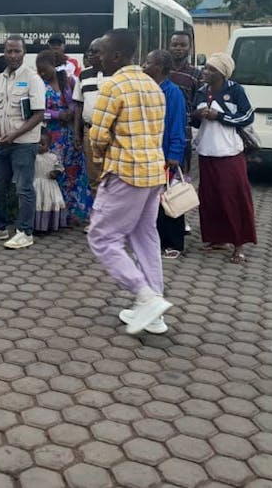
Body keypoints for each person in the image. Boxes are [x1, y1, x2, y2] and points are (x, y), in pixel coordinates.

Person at [87, 28, 172, 335]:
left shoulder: (113, 86)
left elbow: (97, 136)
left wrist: (99, 160)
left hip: (125, 172)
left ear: (117, 56)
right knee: (145, 237)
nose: (99, 57)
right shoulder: (153, 86)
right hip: (153, 172)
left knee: (102, 237)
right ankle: (155, 310)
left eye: (102, 52)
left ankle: (145, 295)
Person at [0, 35, 45, 250]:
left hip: (24, 143)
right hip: (1, 143)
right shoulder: (1, 80)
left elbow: (38, 114)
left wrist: (14, 135)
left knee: (23, 188)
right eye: (9, 51)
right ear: (4, 53)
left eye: (17, 51)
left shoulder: (32, 79)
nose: (13, 55)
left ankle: (25, 232)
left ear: (24, 53)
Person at [191, 53, 257, 264]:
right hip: (206, 151)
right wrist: (197, 115)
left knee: (233, 198)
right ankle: (217, 238)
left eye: (211, 69)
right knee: (210, 198)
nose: (205, 71)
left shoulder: (235, 90)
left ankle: (238, 245)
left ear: (222, 73)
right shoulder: (201, 91)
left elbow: (247, 116)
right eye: (206, 68)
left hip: (229, 153)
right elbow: (194, 120)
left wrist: (220, 116)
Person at [37, 50, 92, 225]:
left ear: (54, 66)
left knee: (73, 173)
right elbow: (36, 111)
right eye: (39, 71)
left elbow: (77, 106)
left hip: (68, 136)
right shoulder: (39, 85)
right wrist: (56, 115)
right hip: (50, 136)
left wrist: (76, 132)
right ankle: (55, 216)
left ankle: (73, 214)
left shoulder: (68, 82)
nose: (42, 74)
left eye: (44, 70)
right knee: (54, 173)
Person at [144, 49, 187, 258]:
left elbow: (177, 125)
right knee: (152, 200)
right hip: (148, 153)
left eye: (148, 62)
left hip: (165, 154)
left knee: (169, 198)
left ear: (159, 68)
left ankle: (175, 244)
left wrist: (174, 155)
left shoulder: (173, 92)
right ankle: (156, 240)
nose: (144, 65)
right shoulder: (147, 89)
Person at [73, 38, 105, 203]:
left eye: (96, 51)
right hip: (89, 131)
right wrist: (77, 133)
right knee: (94, 178)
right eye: (89, 51)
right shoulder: (83, 75)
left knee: (112, 178)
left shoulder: (116, 75)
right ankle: (97, 219)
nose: (91, 55)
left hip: (112, 133)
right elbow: (78, 105)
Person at [169, 31, 201, 174]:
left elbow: (199, 104)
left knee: (180, 180)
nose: (178, 48)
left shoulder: (196, 74)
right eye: (174, 44)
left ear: (190, 48)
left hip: (183, 134)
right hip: (159, 130)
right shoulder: (160, 69)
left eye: (183, 45)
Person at [34, 130, 66, 232]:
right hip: (36, 184)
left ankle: (49, 225)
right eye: (37, 143)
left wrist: (55, 172)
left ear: (48, 145)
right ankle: (37, 226)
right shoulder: (33, 156)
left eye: (42, 144)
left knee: (49, 203)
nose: (39, 146)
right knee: (37, 203)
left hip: (49, 185)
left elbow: (60, 168)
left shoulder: (53, 157)